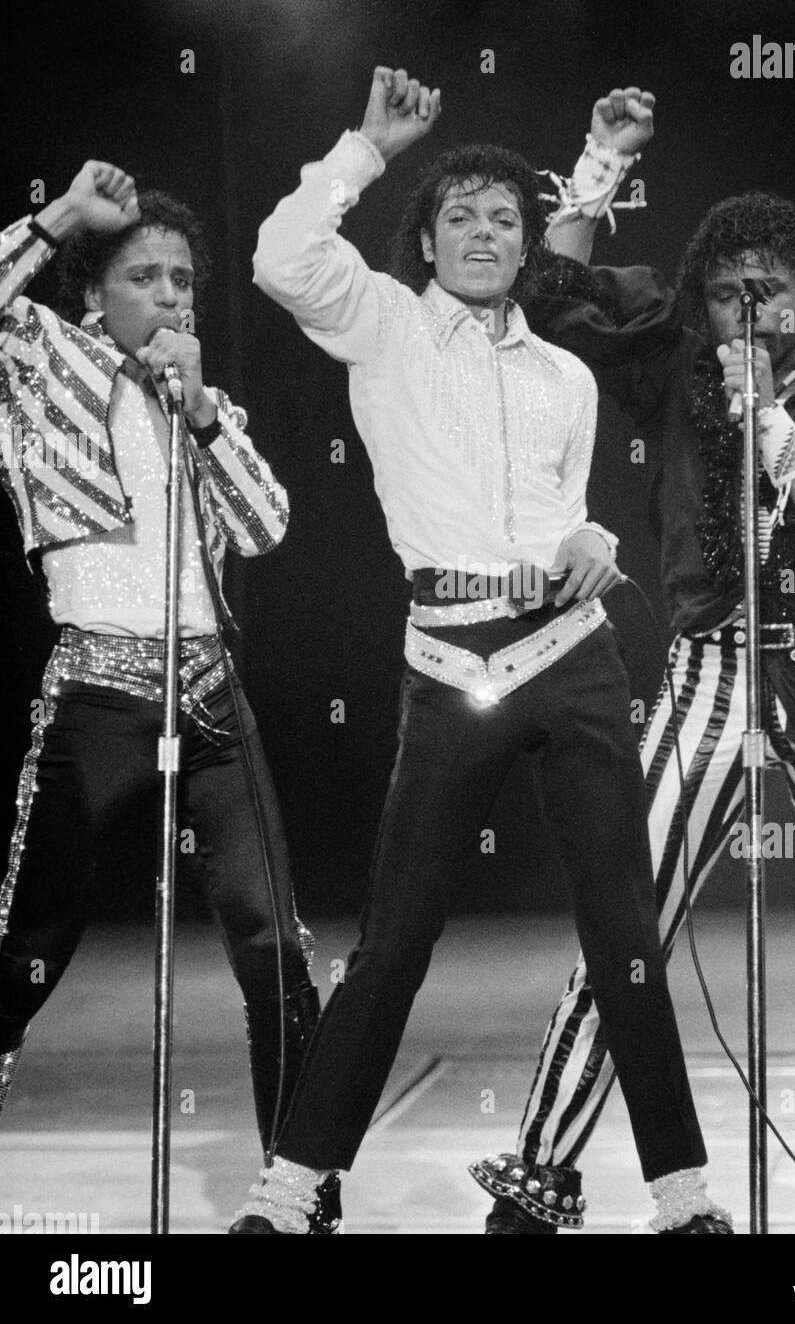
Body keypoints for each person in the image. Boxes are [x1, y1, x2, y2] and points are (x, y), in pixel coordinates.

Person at [228, 66, 730, 1236]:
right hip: (452, 660)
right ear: (429, 238)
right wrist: (364, 147)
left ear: (524, 241)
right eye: (461, 215)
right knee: (394, 941)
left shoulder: (564, 373)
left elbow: (559, 509)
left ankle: (682, 1195)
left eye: (505, 217)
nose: (486, 232)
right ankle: (292, 1190)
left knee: (625, 937)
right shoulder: (387, 327)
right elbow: (278, 255)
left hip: (575, 654)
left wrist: (589, 538)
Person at [471, 88, 795, 1232]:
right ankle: (540, 1179)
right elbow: (550, 299)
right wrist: (599, 159)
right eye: (725, 292)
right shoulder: (676, 371)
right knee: (627, 934)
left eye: (769, 291)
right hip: (706, 672)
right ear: (700, 301)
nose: (746, 309)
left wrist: (775, 426)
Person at [0, 161, 319, 1162]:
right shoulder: (44, 355)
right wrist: (59, 219)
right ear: (93, 291)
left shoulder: (204, 404)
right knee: (34, 946)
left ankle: (297, 1188)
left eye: (183, 280)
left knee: (275, 946)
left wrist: (207, 415)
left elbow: (266, 526)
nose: (173, 296)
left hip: (213, 690)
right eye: (145, 276)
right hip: (100, 686)